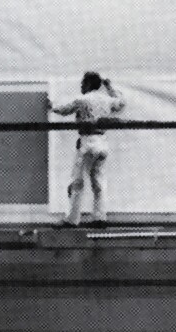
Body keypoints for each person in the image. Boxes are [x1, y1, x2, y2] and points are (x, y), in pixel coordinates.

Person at [48, 72, 125, 227]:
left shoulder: (82, 100)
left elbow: (64, 110)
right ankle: (99, 218)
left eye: (83, 83)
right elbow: (121, 103)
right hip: (102, 143)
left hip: (87, 142)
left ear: (89, 84)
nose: (81, 86)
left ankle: (71, 219)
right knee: (99, 182)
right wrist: (110, 87)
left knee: (77, 182)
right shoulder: (107, 100)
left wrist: (52, 107)